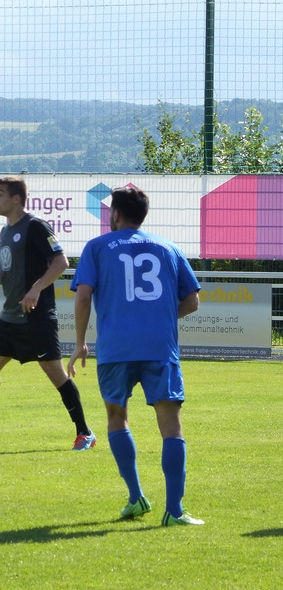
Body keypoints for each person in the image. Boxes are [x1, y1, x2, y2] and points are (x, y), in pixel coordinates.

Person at [68, 185, 204, 526]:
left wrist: (80, 342)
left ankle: (136, 497)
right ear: (143, 214)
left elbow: (83, 297)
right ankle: (174, 511)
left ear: (114, 214)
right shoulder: (167, 247)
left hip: (116, 349)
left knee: (117, 417)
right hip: (159, 347)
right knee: (170, 423)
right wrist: (156, 317)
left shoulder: (97, 247)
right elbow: (192, 301)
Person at [0, 176, 96, 450]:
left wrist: (36, 289)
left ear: (16, 198)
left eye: (0, 193)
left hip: (36, 319)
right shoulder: (5, 231)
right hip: (8, 319)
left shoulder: (36, 226)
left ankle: (85, 433)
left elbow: (61, 261)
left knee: (56, 375)